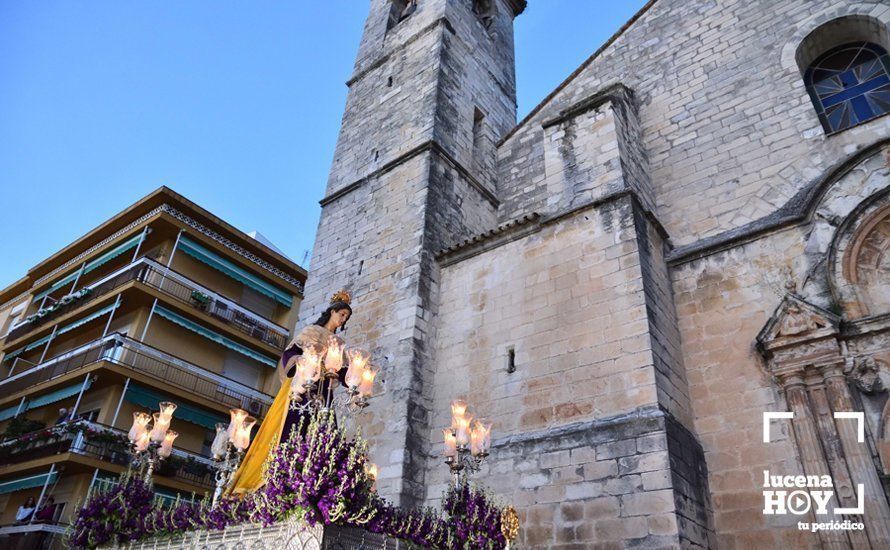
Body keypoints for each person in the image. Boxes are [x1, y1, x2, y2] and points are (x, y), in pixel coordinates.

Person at [226, 290, 353, 496]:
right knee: (293, 429)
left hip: (324, 396)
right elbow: (290, 354)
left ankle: (317, 485)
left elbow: (345, 372)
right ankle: (279, 480)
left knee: (324, 436)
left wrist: (357, 379)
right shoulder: (312, 332)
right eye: (342, 314)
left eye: (346, 317)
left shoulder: (338, 345)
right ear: (332, 312)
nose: (343, 319)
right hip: (304, 389)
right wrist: (308, 362)